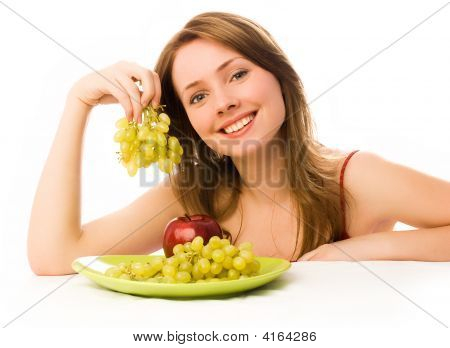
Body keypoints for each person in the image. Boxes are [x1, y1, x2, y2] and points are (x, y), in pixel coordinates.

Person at [27, 12, 450, 275]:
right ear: (189, 123)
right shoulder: (191, 196)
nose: (225, 102)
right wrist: (76, 104)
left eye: (238, 74)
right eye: (198, 96)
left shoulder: (354, 179)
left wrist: (364, 251)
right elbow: (55, 258)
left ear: (280, 77)